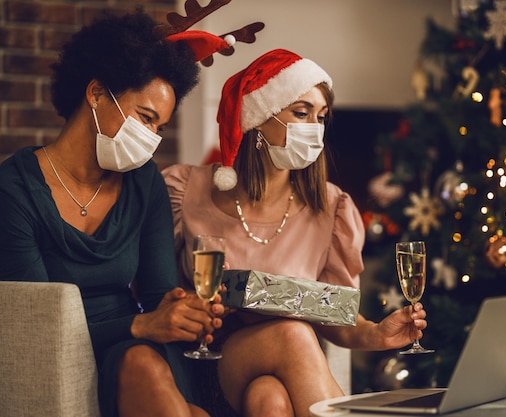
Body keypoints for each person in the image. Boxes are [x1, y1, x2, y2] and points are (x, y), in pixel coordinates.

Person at [162, 48, 429, 417]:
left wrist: (377, 334)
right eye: (301, 113)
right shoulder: (184, 189)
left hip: (276, 372)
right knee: (294, 333)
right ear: (257, 119)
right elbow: (153, 291)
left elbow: (333, 313)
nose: (314, 128)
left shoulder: (331, 208)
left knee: (269, 400)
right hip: (207, 361)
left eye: (321, 117)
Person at [0, 11, 237, 417]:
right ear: (95, 93)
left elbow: (155, 295)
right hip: (63, 356)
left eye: (159, 127)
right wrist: (142, 326)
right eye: (145, 118)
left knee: (154, 372)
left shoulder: (144, 183)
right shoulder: (14, 188)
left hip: (139, 347)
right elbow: (36, 329)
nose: (151, 139)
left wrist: (184, 310)